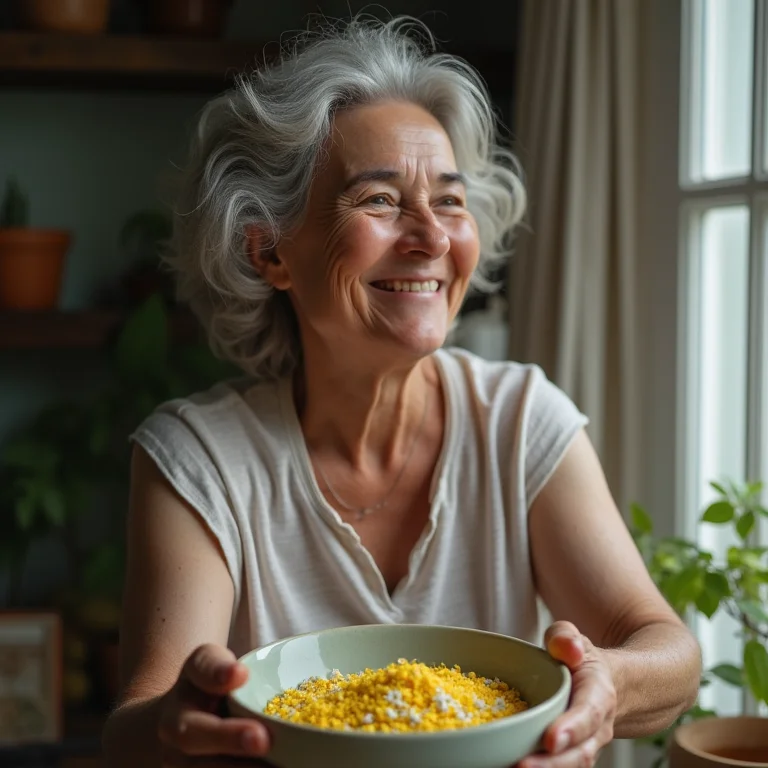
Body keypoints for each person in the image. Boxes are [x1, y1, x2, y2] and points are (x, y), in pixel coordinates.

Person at [102, 16, 701, 768]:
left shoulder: (519, 421)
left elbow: (669, 653)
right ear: (270, 251)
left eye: (450, 201)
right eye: (381, 201)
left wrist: (607, 682)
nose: (433, 238)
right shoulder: (200, 459)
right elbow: (136, 723)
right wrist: (176, 724)